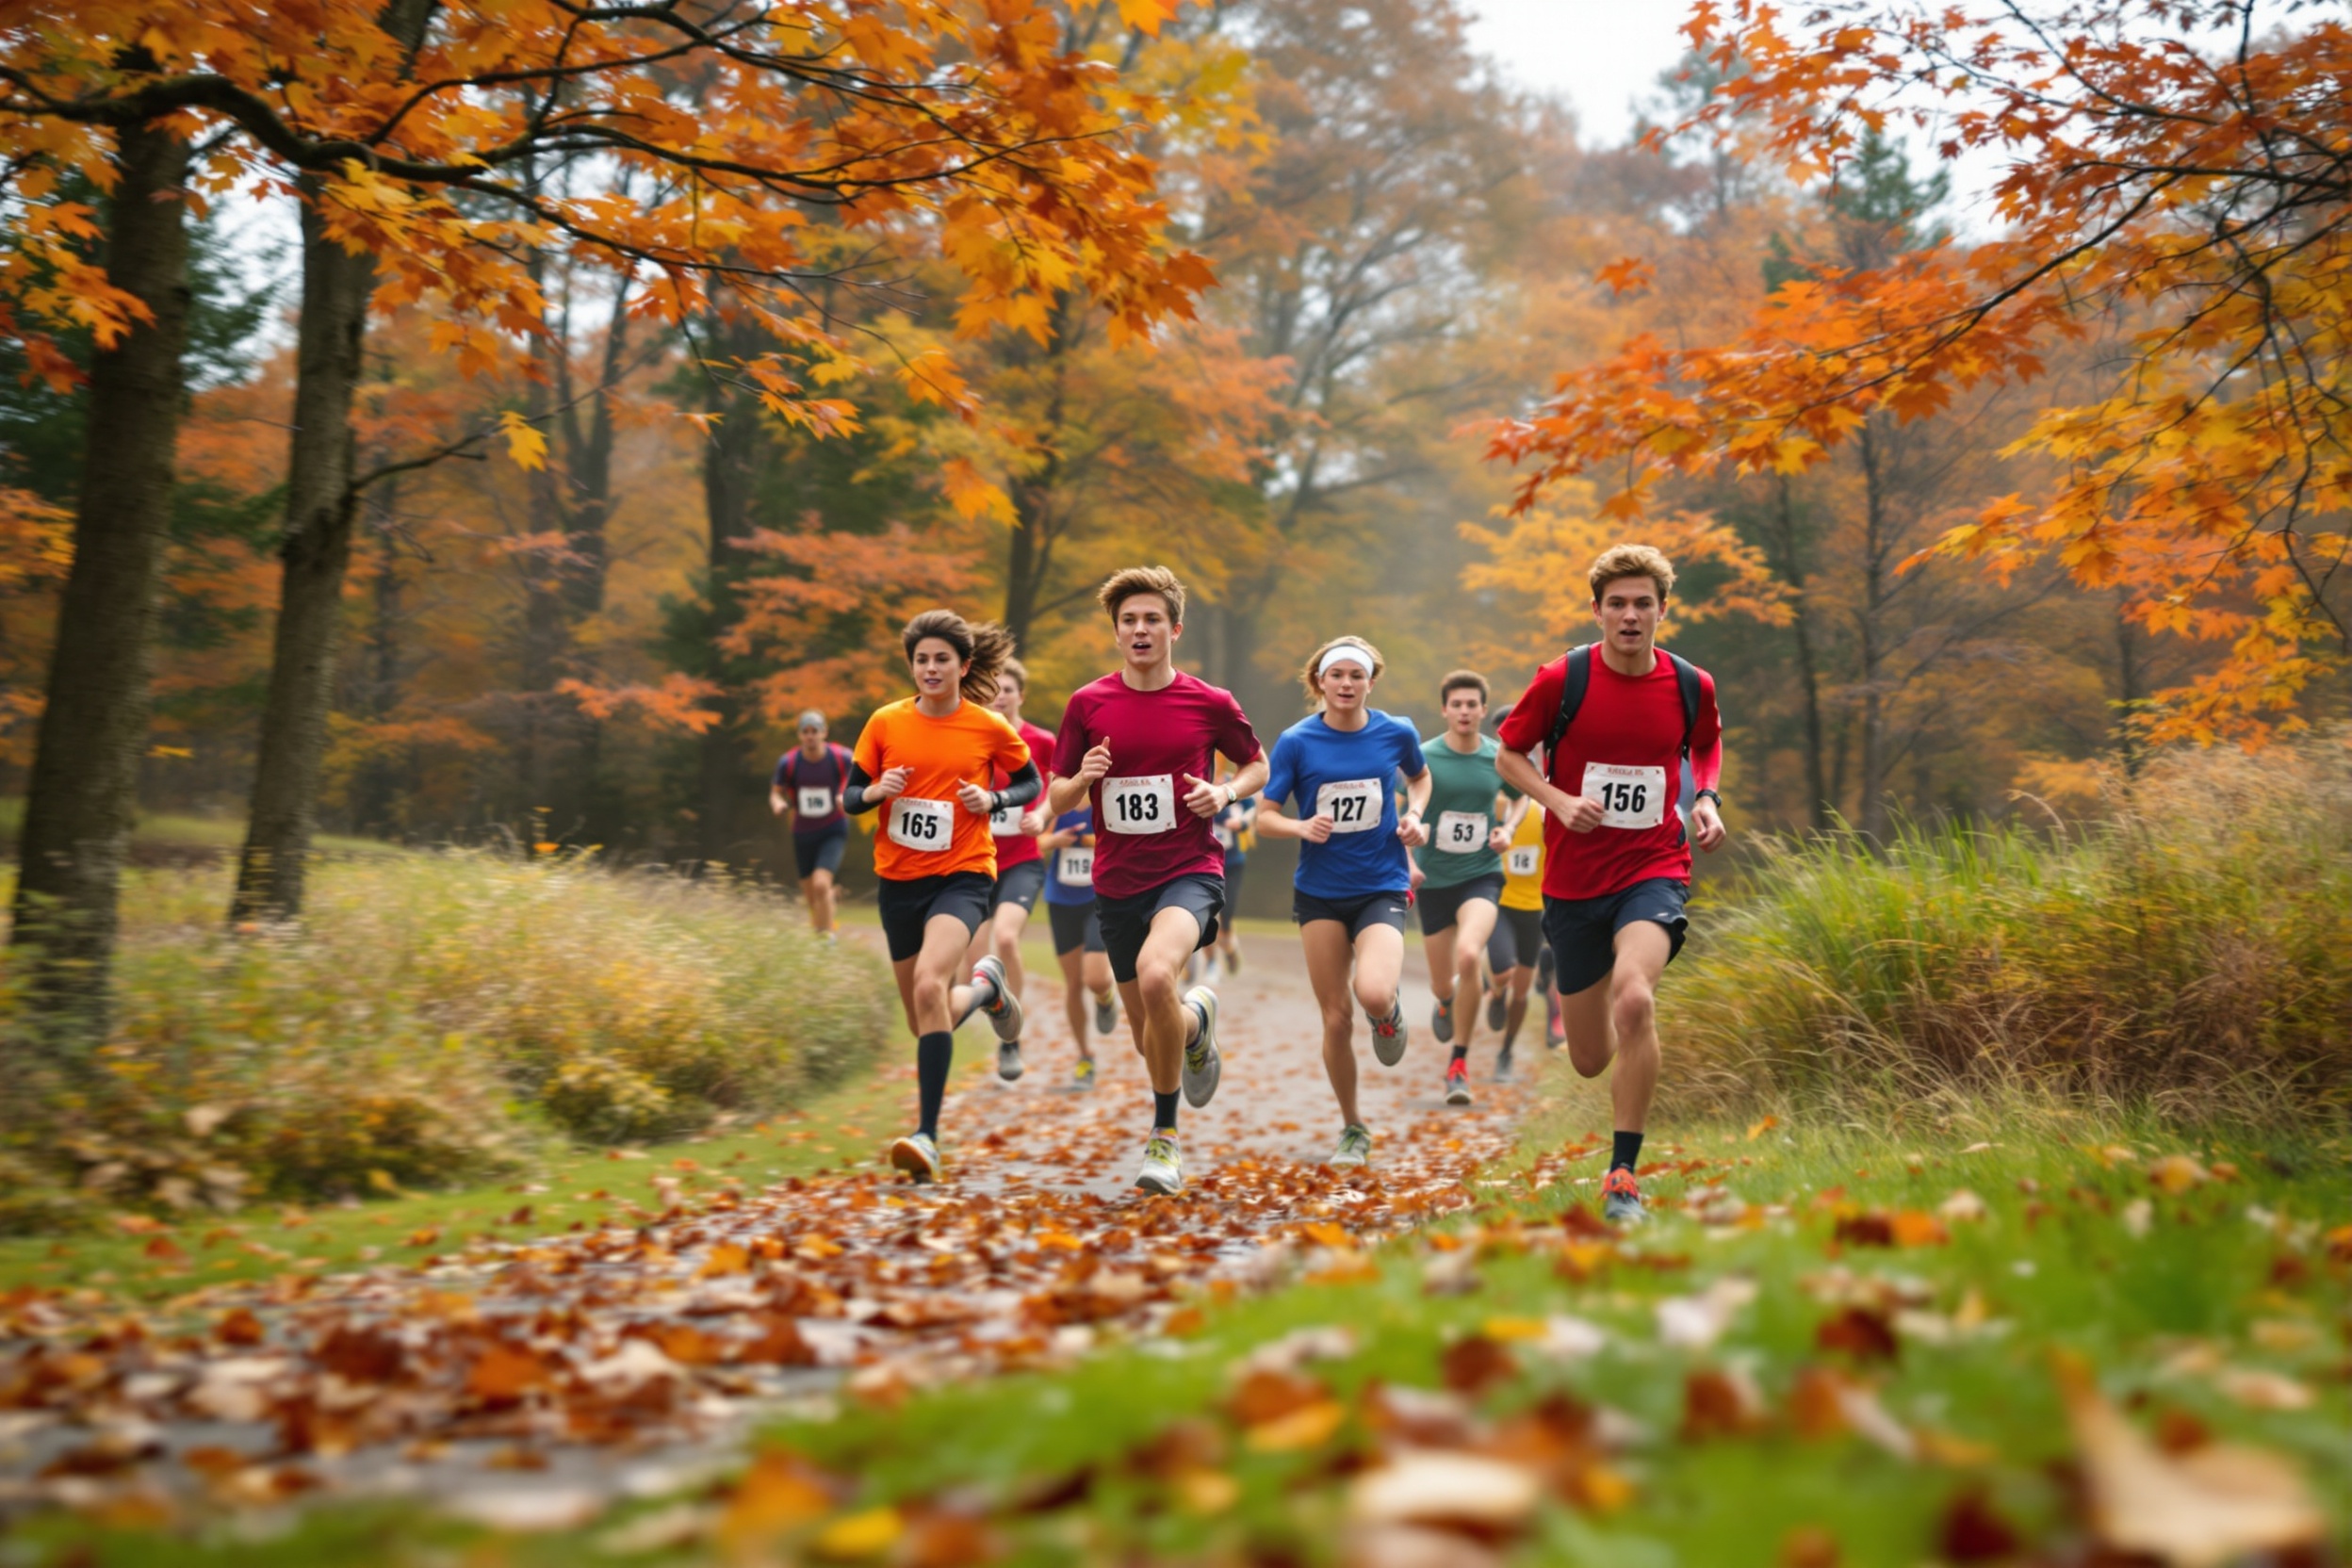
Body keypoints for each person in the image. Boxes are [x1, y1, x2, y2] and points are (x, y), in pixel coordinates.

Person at [1495, 545, 1725, 1225]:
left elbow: (1705, 745)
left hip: (1653, 866)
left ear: (1661, 610)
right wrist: (1557, 802)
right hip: (1572, 883)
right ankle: (1606, 1096)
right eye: (1617, 604)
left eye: (1643, 603)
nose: (1630, 615)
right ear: (1597, 611)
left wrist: (1706, 799)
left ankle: (1623, 1173)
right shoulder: (1562, 679)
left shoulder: (1690, 683)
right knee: (1591, 1057)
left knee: (1635, 998)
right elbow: (1509, 754)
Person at [1047, 566, 1267, 1196]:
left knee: (1154, 974)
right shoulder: (1088, 704)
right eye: (1128, 621)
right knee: (1153, 1036)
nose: (1140, 630)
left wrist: (1223, 791)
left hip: (1189, 870)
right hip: (1117, 881)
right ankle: (1198, 1022)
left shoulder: (1209, 702)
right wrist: (1084, 778)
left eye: (1151, 619)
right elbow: (1057, 794)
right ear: (1116, 633)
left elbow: (1258, 764)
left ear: (1174, 628)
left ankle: (1164, 1140)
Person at [840, 610, 1041, 1184]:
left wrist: (993, 800)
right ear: (912, 666)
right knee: (923, 1017)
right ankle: (986, 991)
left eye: (941, 659)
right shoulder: (884, 722)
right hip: (899, 881)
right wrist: (879, 790)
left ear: (963, 665)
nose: (931, 668)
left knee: (931, 984)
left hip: (963, 875)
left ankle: (927, 1134)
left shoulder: (987, 727)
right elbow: (851, 797)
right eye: (922, 659)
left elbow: (1029, 782)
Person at [1251, 637, 1429, 1171]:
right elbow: (1264, 815)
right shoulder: (1297, 741)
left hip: (1381, 883)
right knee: (1334, 1019)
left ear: (1371, 682)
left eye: (1358, 675)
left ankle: (1388, 1012)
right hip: (1320, 892)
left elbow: (1419, 779)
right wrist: (1299, 825)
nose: (1347, 684)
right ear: (1320, 683)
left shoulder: (1396, 732)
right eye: (1337, 675)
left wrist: (1416, 815)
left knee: (1373, 991)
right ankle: (1353, 1125)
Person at [1413, 669, 1514, 1108]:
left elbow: (1522, 794)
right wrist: (1409, 856)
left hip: (1481, 872)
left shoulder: (1499, 756)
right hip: (1432, 880)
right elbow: (1400, 812)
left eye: (1473, 704)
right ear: (1445, 710)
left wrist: (1507, 827)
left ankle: (1458, 1063)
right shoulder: (1423, 757)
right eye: (1457, 704)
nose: (1465, 711)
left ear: (1482, 710)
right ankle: (1445, 1001)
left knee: (1471, 954)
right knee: (1442, 984)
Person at [972, 657, 1061, 1083]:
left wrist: (1042, 815)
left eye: (1007, 689)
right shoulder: (973, 738)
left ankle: (1012, 1040)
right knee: (966, 963)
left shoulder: (1041, 741)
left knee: (1005, 937)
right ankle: (995, 1005)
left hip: (1022, 860)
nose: (1000, 696)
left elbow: (1059, 788)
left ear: (1020, 695)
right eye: (993, 690)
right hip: (974, 861)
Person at [1037, 802, 1121, 1089]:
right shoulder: (1059, 798)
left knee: (1095, 978)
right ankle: (1085, 1056)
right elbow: (1038, 839)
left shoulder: (1104, 798)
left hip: (1099, 897)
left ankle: (1104, 997)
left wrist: (1091, 841)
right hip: (1061, 901)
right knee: (1073, 984)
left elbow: (1124, 839)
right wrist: (1055, 841)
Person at [1484, 792, 1554, 1077]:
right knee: (1503, 973)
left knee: (1523, 993)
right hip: (1499, 903)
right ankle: (1498, 993)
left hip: (1533, 909)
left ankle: (1506, 1051)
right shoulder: (1495, 806)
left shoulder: (1543, 814)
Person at [769, 711, 853, 939]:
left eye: (814, 731)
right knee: (811, 897)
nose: (810, 737)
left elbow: (857, 779)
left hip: (833, 829)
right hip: (802, 832)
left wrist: (844, 796)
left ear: (824, 733)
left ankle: (825, 939)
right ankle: (826, 913)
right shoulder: (789, 762)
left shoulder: (841, 757)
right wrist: (778, 804)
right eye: (805, 732)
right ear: (799, 735)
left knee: (820, 885)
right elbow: (776, 793)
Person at [1211, 768, 1255, 974]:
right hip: (1205, 864)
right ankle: (1210, 963)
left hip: (1232, 863)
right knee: (1205, 917)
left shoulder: (1231, 784)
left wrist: (1244, 821)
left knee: (1226, 915)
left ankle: (1229, 947)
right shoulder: (1193, 784)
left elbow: (1252, 806)